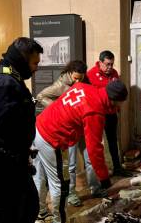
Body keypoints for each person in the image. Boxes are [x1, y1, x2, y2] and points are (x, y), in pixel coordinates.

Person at [33, 80, 128, 223]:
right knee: (59, 184)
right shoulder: (95, 111)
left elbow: (72, 111)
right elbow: (94, 150)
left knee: (39, 177)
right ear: (114, 100)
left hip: (38, 126)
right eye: (120, 103)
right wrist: (106, 182)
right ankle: (60, 220)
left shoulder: (84, 87)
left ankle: (40, 212)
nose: (120, 107)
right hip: (51, 137)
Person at [0, 37, 43, 223]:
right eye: (34, 63)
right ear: (22, 59)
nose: (36, 68)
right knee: (13, 211)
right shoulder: (5, 81)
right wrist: (19, 151)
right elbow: (4, 125)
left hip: (2, 156)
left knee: (21, 206)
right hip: (5, 160)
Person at [35, 60, 100, 211]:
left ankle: (95, 188)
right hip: (69, 130)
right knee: (71, 165)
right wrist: (57, 109)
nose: (78, 81)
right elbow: (40, 96)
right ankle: (71, 193)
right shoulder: (60, 85)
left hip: (84, 127)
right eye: (75, 78)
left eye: (80, 78)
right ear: (70, 73)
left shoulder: (86, 82)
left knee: (90, 158)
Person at [87, 50, 132, 177]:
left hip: (111, 114)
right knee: (97, 143)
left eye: (112, 64)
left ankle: (117, 168)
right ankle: (103, 171)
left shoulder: (114, 73)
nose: (110, 67)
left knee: (113, 141)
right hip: (98, 114)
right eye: (107, 64)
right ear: (100, 63)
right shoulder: (91, 75)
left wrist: (117, 109)